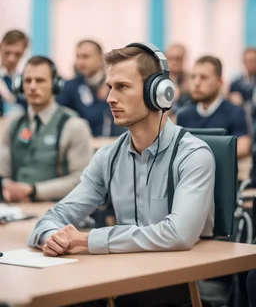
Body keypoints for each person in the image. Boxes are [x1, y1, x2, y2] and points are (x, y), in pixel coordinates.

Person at [29, 42, 215, 306]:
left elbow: (179, 234)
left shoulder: (193, 155)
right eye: (109, 87)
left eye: (122, 87)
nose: (110, 98)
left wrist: (85, 238)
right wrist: (53, 238)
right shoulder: (108, 156)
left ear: (158, 93)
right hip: (121, 279)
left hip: (177, 287)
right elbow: (55, 217)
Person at [0, 56, 93, 202]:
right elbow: (2, 171)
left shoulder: (74, 126)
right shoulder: (13, 124)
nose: (32, 86)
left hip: (59, 212)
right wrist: (5, 185)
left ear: (55, 85)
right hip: (17, 210)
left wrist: (33, 190)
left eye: (40, 80)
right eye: (27, 80)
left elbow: (82, 181)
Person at [177, 56, 252, 160]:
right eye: (193, 77)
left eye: (204, 77)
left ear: (220, 81)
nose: (197, 83)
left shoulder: (235, 112)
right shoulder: (184, 115)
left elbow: (243, 146)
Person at [57, 39, 125, 137]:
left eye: (86, 57)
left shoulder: (115, 84)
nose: (80, 62)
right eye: (78, 57)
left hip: (114, 143)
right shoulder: (70, 87)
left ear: (101, 59)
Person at [0, 29, 29, 115]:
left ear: (24, 52)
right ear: (1, 47)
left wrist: (10, 98)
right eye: (7, 52)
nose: (11, 59)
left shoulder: (26, 81)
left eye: (17, 54)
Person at [165, 43, 190, 115]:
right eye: (170, 58)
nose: (174, 62)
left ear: (184, 59)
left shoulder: (192, 79)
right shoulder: (158, 80)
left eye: (178, 59)